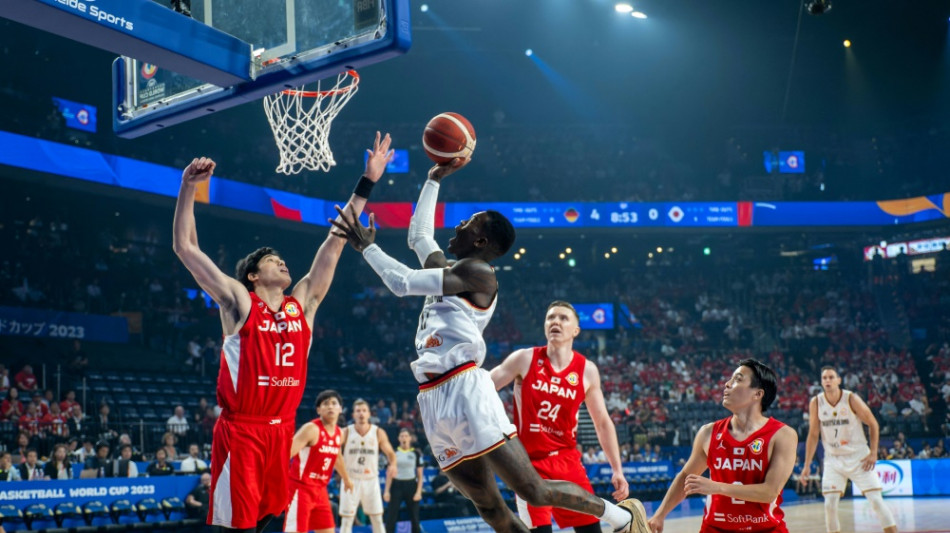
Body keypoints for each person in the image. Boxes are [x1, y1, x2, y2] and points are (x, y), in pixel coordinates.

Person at [330, 159, 647, 533]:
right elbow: (418, 237)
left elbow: (402, 283)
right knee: (488, 505)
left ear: (481, 241)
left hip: (465, 387)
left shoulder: (478, 273)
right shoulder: (450, 271)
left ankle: (621, 517)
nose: (459, 225)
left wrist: (367, 248)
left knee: (533, 491)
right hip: (432, 395)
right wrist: (432, 180)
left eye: (469, 223)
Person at [173, 132, 392, 532]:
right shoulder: (239, 302)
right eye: (272, 260)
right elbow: (186, 248)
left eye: (282, 259)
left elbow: (335, 240)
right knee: (237, 525)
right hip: (243, 430)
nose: (282, 262)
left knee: (268, 518)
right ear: (254, 276)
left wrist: (368, 181)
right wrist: (188, 188)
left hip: (281, 429)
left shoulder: (302, 304)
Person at [491, 300, 630, 533]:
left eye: (563, 318)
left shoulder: (587, 370)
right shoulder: (524, 358)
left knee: (590, 531)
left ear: (576, 330)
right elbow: (484, 388)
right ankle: (620, 518)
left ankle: (621, 518)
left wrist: (617, 469)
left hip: (567, 460)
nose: (555, 321)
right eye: (551, 317)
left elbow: (602, 422)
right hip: (528, 463)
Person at [647, 359, 798, 533]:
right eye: (730, 379)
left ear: (757, 394)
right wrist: (660, 515)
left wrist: (717, 487)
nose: (727, 384)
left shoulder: (782, 435)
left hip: (767, 528)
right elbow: (686, 477)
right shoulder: (708, 433)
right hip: (715, 528)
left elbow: (769, 492)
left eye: (737, 379)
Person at [800, 367, 897, 533]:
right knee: (829, 504)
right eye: (824, 378)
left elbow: (873, 424)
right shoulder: (816, 402)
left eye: (831, 377)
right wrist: (807, 465)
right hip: (833, 459)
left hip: (859, 457)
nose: (828, 381)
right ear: (821, 382)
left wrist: (873, 452)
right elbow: (813, 434)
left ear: (839, 380)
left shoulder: (851, 398)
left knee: (876, 501)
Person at [284, 390, 353, 533]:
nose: (330, 406)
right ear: (318, 410)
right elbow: (285, 455)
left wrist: (347, 479)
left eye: (334, 403)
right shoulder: (311, 429)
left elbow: (337, 457)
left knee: (327, 530)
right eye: (325, 404)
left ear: (340, 409)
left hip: (321, 490)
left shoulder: (339, 433)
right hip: (300, 488)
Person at [339, 399, 398, 533]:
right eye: (358, 411)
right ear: (353, 414)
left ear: (369, 414)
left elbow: (390, 453)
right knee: (347, 520)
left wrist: (393, 464)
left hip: (371, 480)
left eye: (364, 411)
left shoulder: (378, 432)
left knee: (377, 519)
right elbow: (334, 453)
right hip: (350, 480)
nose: (361, 414)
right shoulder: (345, 432)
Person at [383, 428, 424, 533]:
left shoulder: (416, 453)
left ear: (410, 438)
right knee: (391, 516)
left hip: (411, 485)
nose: (404, 438)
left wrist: (419, 492)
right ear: (398, 438)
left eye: (406, 436)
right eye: (402, 436)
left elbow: (420, 475)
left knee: (414, 517)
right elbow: (389, 474)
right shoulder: (394, 453)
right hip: (396, 485)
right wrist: (386, 491)